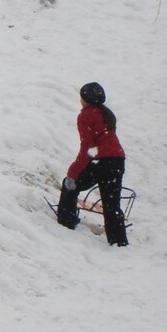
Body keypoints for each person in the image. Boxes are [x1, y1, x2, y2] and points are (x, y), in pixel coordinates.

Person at [56, 82, 129, 247]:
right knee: (112, 204)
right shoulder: (106, 114)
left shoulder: (86, 115)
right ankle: (118, 241)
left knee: (70, 185)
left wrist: (73, 173)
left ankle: (65, 222)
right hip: (117, 160)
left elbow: (88, 149)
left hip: (101, 160)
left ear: (85, 99)